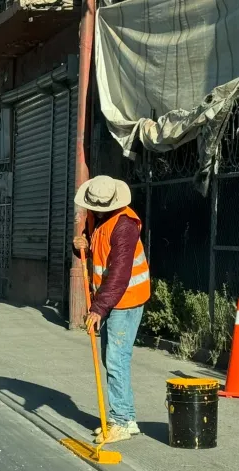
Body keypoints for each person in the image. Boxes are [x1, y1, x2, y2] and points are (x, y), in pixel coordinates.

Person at [73, 175, 151, 444]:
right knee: (112, 358)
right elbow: (97, 248)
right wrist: (80, 244)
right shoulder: (101, 219)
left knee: (116, 359)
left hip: (126, 299)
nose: (92, 210)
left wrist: (98, 308)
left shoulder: (125, 226)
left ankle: (122, 421)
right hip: (111, 299)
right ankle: (124, 418)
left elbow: (119, 273)